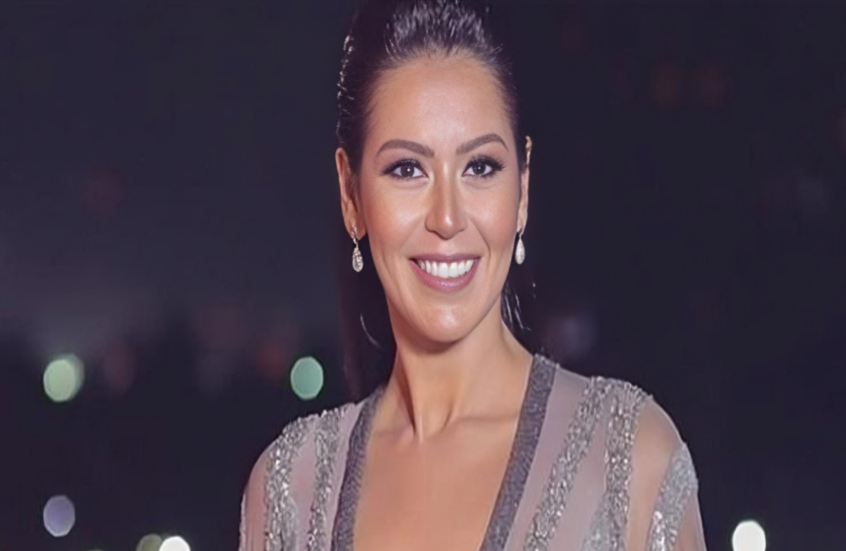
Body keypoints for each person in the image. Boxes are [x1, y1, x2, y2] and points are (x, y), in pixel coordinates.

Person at [239, 0, 708, 550]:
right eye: (407, 169)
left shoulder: (628, 460)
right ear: (351, 195)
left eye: (480, 167)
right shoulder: (288, 490)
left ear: (522, 187)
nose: (447, 218)